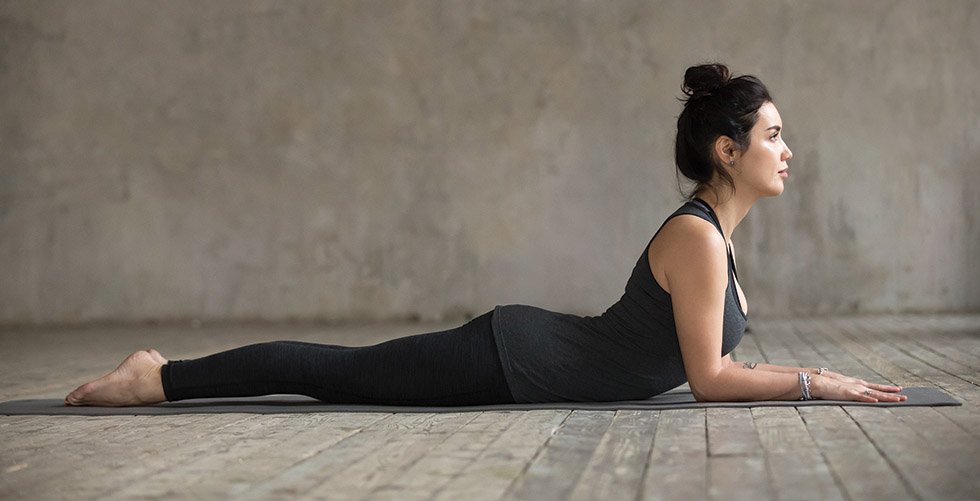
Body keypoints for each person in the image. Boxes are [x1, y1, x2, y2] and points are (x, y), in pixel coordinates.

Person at [65, 63, 906, 407]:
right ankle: (159, 376)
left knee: (339, 373)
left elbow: (701, 366)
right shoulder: (698, 239)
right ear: (728, 151)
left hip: (531, 355)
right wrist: (816, 381)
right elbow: (710, 377)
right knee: (335, 372)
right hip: (512, 357)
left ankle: (161, 375)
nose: (788, 150)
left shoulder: (716, 238)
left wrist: (804, 377)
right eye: (772, 136)